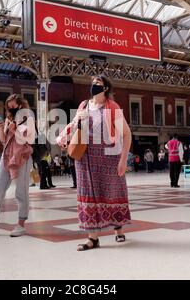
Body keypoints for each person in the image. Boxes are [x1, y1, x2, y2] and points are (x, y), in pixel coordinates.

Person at [56, 75, 131, 251]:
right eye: (93, 84)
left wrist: (123, 160)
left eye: (98, 84)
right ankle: (93, 238)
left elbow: (126, 135)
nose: (94, 86)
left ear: (105, 88)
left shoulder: (112, 107)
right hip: (85, 157)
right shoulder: (84, 105)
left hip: (109, 157)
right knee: (87, 195)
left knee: (112, 193)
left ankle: (118, 228)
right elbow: (74, 124)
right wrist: (62, 135)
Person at [0, 94, 35, 238]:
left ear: (20, 105)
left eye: (13, 106)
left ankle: (21, 224)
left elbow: (30, 139)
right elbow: (3, 141)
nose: (11, 108)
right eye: (8, 106)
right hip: (7, 157)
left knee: (21, 192)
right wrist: (1, 128)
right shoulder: (8, 119)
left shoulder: (28, 118)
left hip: (22, 157)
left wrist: (14, 129)